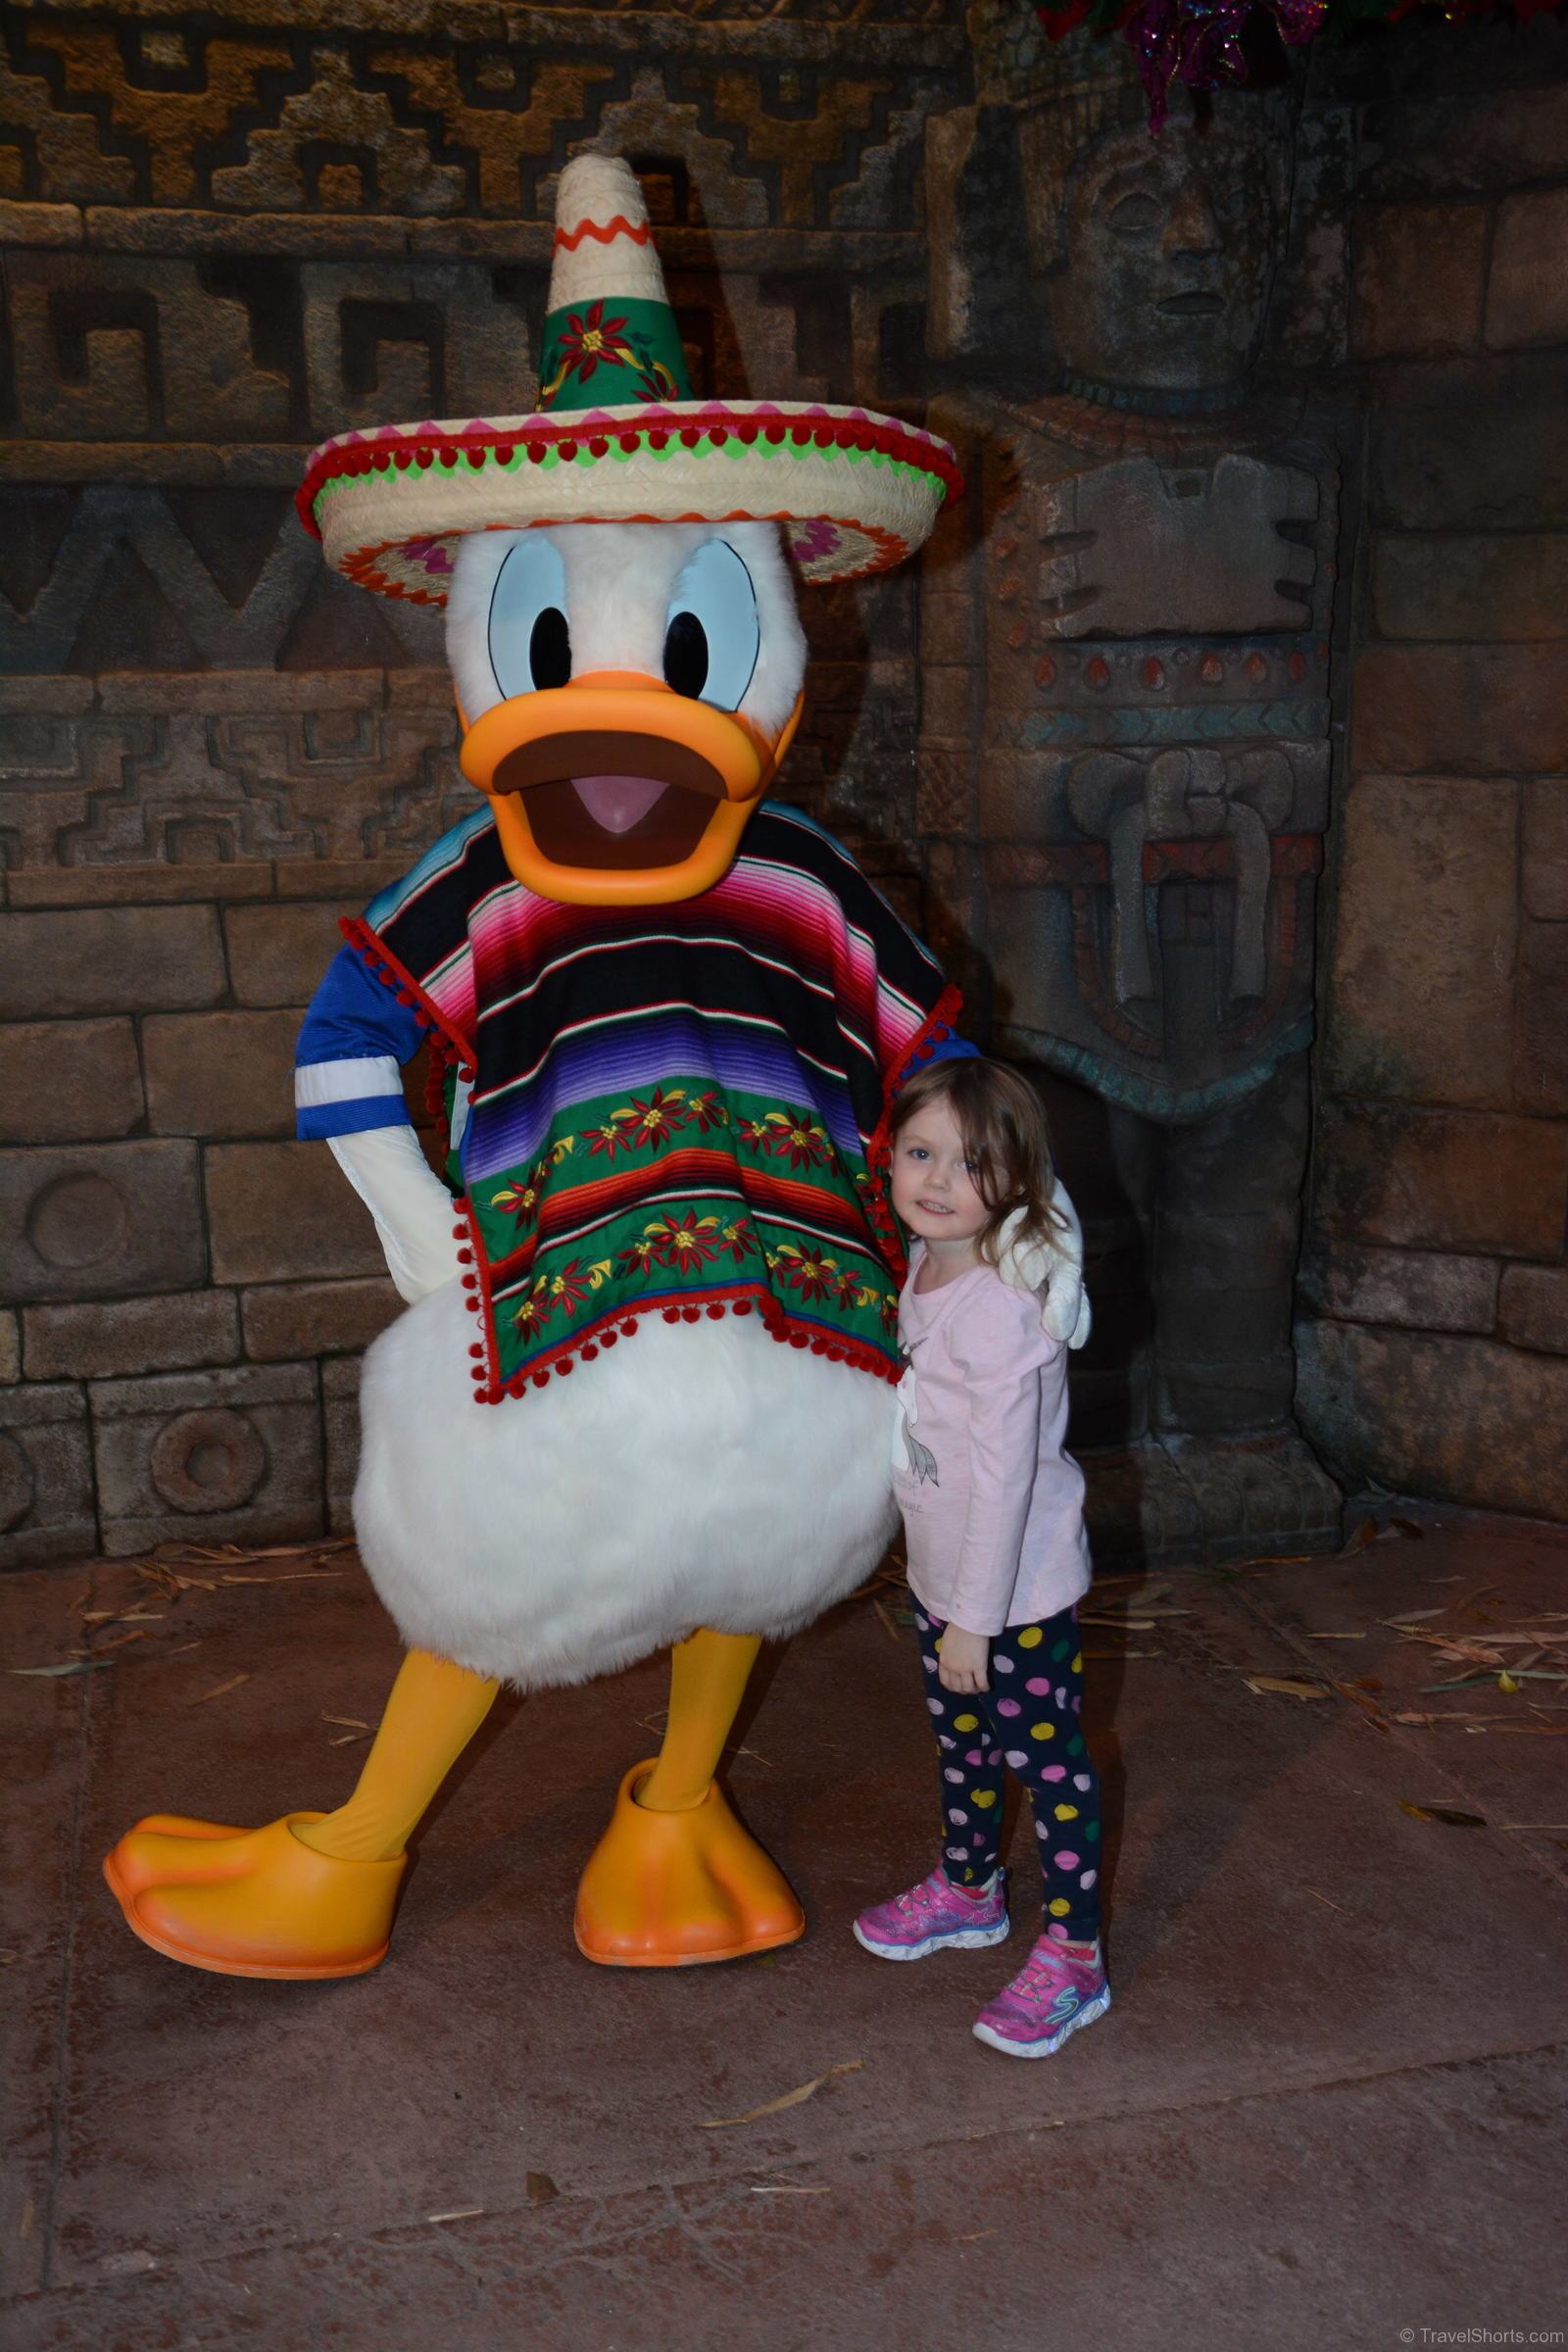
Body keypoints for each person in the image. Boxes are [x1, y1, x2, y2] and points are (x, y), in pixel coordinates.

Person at [853, 1056, 1108, 2059]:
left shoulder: (999, 1312)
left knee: (1047, 1765)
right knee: (962, 1742)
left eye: (970, 1165)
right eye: (921, 1153)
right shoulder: (932, 1257)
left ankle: (1075, 1955)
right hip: (948, 1576)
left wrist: (974, 1619)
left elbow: (1003, 1484)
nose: (937, 1181)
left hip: (1013, 1594)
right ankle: (969, 1890)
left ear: (1017, 1181)